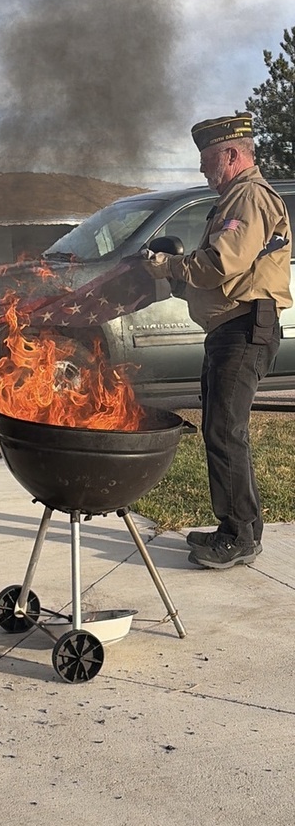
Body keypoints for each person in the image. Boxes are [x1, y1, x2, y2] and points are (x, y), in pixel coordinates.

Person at [142, 112, 292, 569]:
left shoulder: (248, 198)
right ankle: (242, 529)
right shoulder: (234, 199)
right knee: (223, 430)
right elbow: (213, 273)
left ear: (233, 155)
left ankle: (238, 536)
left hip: (245, 329)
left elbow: (220, 264)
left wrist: (169, 266)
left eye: (209, 160)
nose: (204, 170)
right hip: (231, 330)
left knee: (225, 431)